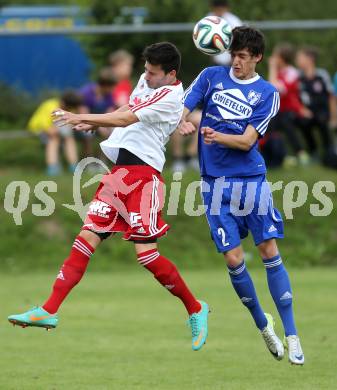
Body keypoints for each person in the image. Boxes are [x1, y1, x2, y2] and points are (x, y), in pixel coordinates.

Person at [8, 42, 209, 352]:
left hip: (144, 179)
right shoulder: (148, 82)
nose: (146, 76)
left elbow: (126, 120)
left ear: (171, 74)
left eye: (153, 73)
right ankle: (48, 310)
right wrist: (91, 121)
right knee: (86, 237)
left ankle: (196, 308)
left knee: (147, 256)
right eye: (145, 69)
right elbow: (124, 111)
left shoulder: (171, 98)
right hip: (118, 176)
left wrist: (81, 118)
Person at [179, 26, 304, 365]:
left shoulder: (267, 93)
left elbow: (249, 141)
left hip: (251, 181)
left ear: (257, 58)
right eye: (234, 55)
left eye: (244, 57)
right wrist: (182, 122)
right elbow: (182, 106)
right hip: (214, 184)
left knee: (268, 249)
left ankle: (292, 334)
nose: (236, 62)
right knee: (233, 260)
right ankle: (264, 325)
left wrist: (215, 136)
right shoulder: (210, 77)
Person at [268, 43, 311, 166]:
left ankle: (301, 153)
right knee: (269, 122)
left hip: (292, 110)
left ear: (281, 58)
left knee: (286, 121)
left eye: (275, 56)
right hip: (279, 111)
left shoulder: (291, 72)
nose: (272, 58)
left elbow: (275, 89)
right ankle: (281, 155)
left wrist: (272, 68)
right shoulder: (278, 73)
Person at [295, 46, 337, 163]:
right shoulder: (298, 77)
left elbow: (331, 97)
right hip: (307, 112)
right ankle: (313, 152)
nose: (297, 60)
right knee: (301, 121)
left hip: (323, 113)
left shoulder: (322, 75)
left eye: (300, 57)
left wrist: (334, 117)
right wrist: (302, 109)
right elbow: (295, 98)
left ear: (310, 59)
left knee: (323, 121)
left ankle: (329, 152)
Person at [27, 90, 82, 176]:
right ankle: (52, 167)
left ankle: (73, 166)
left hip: (57, 131)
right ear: (63, 103)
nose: (69, 110)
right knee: (54, 138)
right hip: (38, 129)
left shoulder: (70, 108)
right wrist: (58, 131)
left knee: (69, 137)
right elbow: (45, 126)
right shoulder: (50, 106)